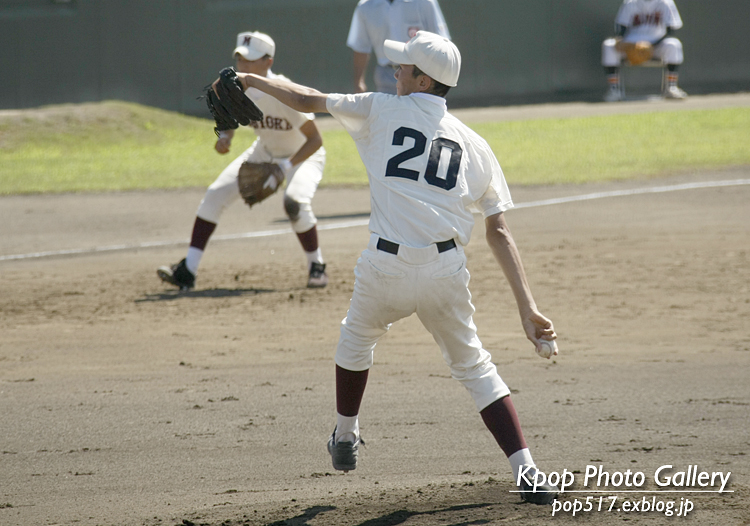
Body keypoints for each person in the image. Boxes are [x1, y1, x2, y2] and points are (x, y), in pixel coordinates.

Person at [223, 31, 560, 504]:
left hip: (385, 267)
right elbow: (498, 231)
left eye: (404, 66)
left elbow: (306, 98)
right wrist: (528, 309)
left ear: (423, 79)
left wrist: (250, 80)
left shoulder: (379, 107)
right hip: (446, 273)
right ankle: (528, 473)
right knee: (475, 367)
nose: (395, 70)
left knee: (355, 339)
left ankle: (344, 435)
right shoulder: (476, 144)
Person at [158, 31, 329, 291]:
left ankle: (317, 265)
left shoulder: (284, 92)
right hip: (264, 150)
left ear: (268, 62)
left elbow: (315, 140)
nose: (243, 66)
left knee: (294, 203)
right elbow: (229, 120)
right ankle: (187, 270)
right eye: (240, 59)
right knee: (215, 194)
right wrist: (225, 137)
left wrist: (284, 169)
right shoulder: (234, 85)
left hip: (303, 156)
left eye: (250, 60)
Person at [346, 0, 450, 94]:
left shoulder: (425, 3)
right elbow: (361, 47)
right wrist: (359, 81)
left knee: (418, 114)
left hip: (420, 74)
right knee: (389, 113)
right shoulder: (365, 7)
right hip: (386, 74)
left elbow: (440, 43)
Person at [601, 0, 687, 102]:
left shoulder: (665, 2)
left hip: (657, 45)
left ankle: (671, 87)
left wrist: (652, 45)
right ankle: (614, 90)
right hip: (632, 44)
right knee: (609, 45)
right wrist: (620, 41)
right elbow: (621, 27)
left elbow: (671, 30)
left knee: (674, 44)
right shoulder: (630, 3)